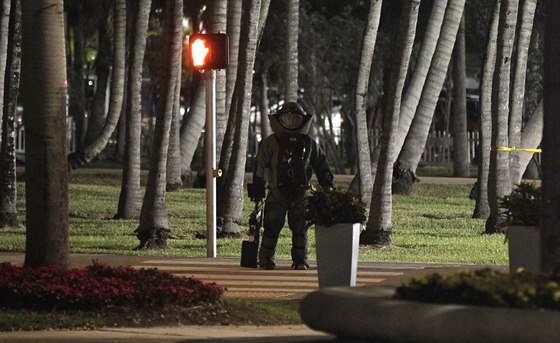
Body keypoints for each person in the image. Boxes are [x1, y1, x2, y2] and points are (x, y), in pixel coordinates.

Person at [250, 102, 334, 270]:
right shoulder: (271, 142)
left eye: (295, 119)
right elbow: (259, 165)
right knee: (271, 227)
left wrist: (328, 187)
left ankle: (300, 260)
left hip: (301, 193)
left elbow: (322, 165)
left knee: (301, 228)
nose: (291, 122)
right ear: (279, 120)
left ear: (302, 120)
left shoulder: (309, 144)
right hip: (277, 191)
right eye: (287, 119)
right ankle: (265, 260)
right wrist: (257, 187)